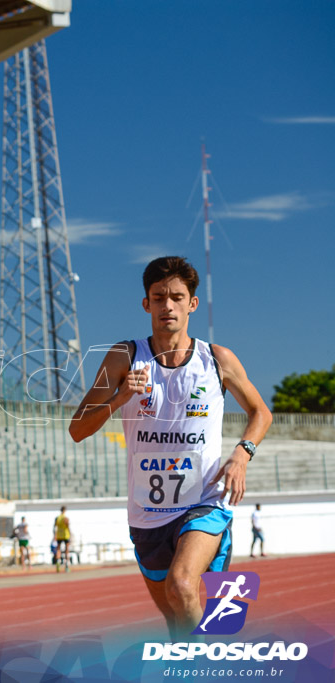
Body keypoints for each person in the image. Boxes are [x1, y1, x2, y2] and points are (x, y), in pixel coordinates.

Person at [69, 256, 271, 639]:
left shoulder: (217, 359)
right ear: (146, 304)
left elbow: (261, 412)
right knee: (176, 620)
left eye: (177, 297)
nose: (168, 306)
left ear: (192, 304)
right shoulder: (124, 357)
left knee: (182, 585)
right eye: (158, 297)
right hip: (147, 513)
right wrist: (120, 397)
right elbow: (78, 429)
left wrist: (242, 455)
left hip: (205, 500)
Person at [53, 506, 71, 573]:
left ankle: (58, 562)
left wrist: (54, 535)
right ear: (65, 510)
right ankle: (66, 566)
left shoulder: (57, 518)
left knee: (58, 549)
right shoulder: (65, 518)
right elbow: (68, 526)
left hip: (59, 535)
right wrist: (70, 534)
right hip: (65, 535)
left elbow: (54, 527)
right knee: (66, 550)